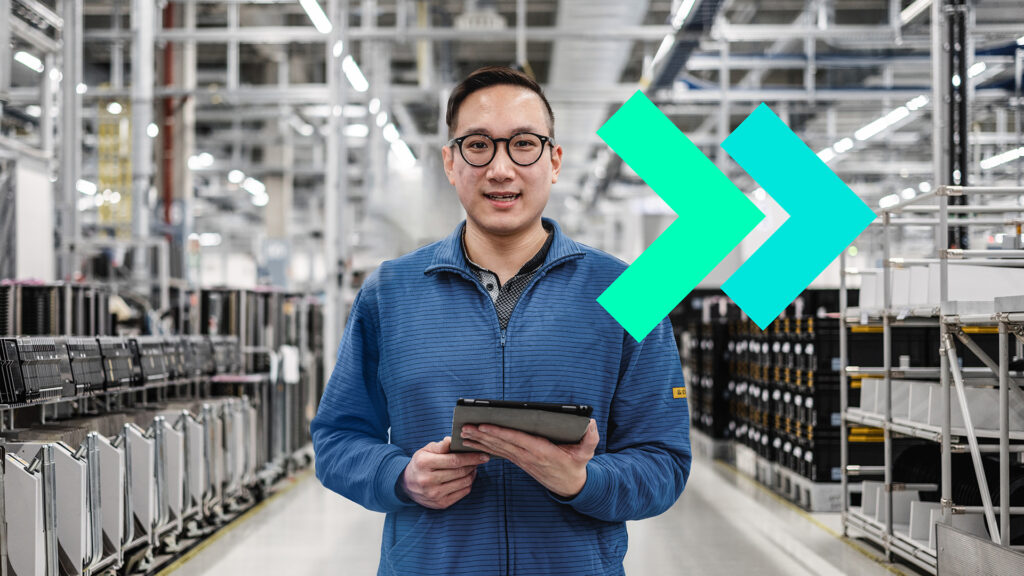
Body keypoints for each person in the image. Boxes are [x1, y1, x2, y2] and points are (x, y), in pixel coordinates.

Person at [311, 65, 691, 576]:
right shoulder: (391, 291)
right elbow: (337, 439)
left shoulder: (629, 293)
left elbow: (664, 461)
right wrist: (401, 477)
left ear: (554, 161)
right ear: (450, 162)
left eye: (524, 145)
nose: (501, 169)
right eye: (478, 146)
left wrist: (582, 481)